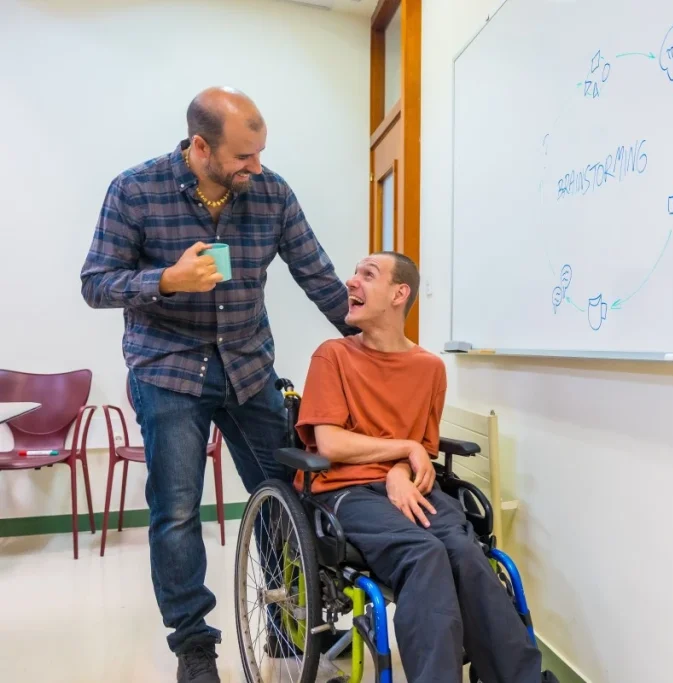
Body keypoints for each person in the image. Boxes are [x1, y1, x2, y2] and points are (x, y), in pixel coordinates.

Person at [80, 86, 358, 683]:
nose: (256, 169)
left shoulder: (272, 192)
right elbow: (96, 283)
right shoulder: (135, 190)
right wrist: (167, 280)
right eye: (243, 158)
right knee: (176, 512)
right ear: (201, 147)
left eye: (260, 154)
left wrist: (375, 339)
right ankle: (194, 646)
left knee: (285, 491)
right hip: (168, 371)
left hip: (249, 368)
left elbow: (318, 275)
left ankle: (287, 623)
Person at [295, 251, 556, 683]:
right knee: (424, 554)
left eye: (367, 274)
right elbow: (330, 442)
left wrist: (400, 470)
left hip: (411, 484)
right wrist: (401, 454)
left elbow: (423, 449)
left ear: (400, 294)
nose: (351, 282)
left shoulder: (429, 368)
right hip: (346, 489)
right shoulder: (333, 356)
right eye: (355, 273)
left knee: (468, 556)